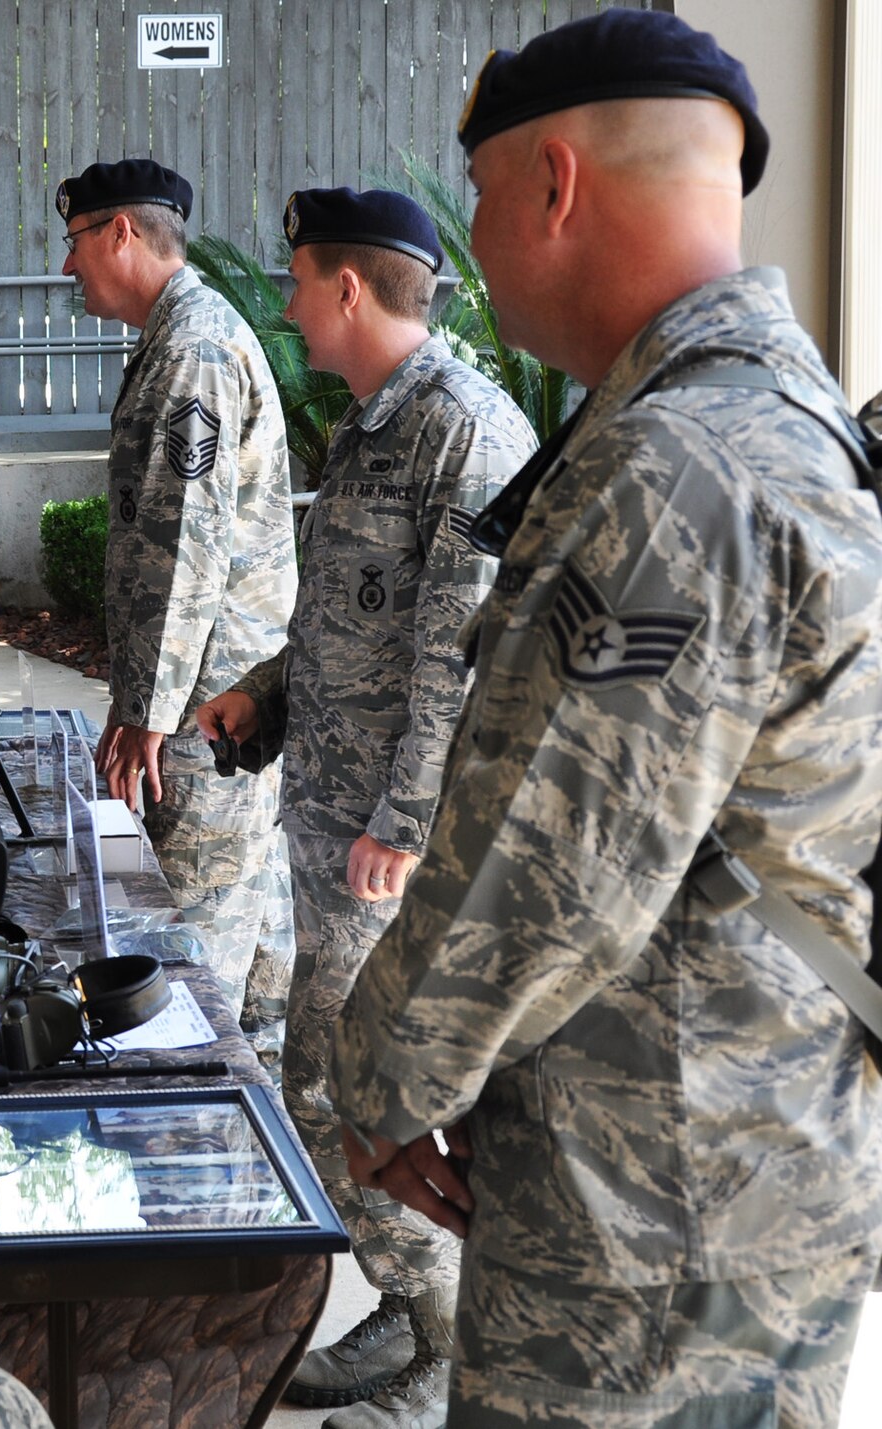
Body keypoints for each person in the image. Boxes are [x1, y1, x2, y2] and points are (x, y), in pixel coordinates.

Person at [330, 12, 882, 1425]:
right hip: (736, 1176)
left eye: (480, 196)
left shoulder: (674, 468)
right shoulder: (776, 415)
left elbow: (547, 863)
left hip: (649, 1223)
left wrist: (378, 1078)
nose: (470, 244)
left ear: (553, 186)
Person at [199, 188, 536, 1428]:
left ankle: (448, 1345)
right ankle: (405, 1305)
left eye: (296, 282)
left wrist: (399, 826)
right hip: (331, 824)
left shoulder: (463, 432)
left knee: (356, 1090)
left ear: (347, 287)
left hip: (392, 849)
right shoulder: (368, 421)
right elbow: (348, 625)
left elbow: (456, 661)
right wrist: (267, 693)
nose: (284, 308)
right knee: (337, 1087)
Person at [54, 157, 298, 1014]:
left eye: (75, 240)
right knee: (242, 943)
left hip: (205, 708)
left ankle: (212, 1091)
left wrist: (147, 714)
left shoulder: (191, 350)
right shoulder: (178, 337)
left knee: (192, 962)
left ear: (121, 231)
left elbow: (183, 547)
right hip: (205, 693)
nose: (67, 264)